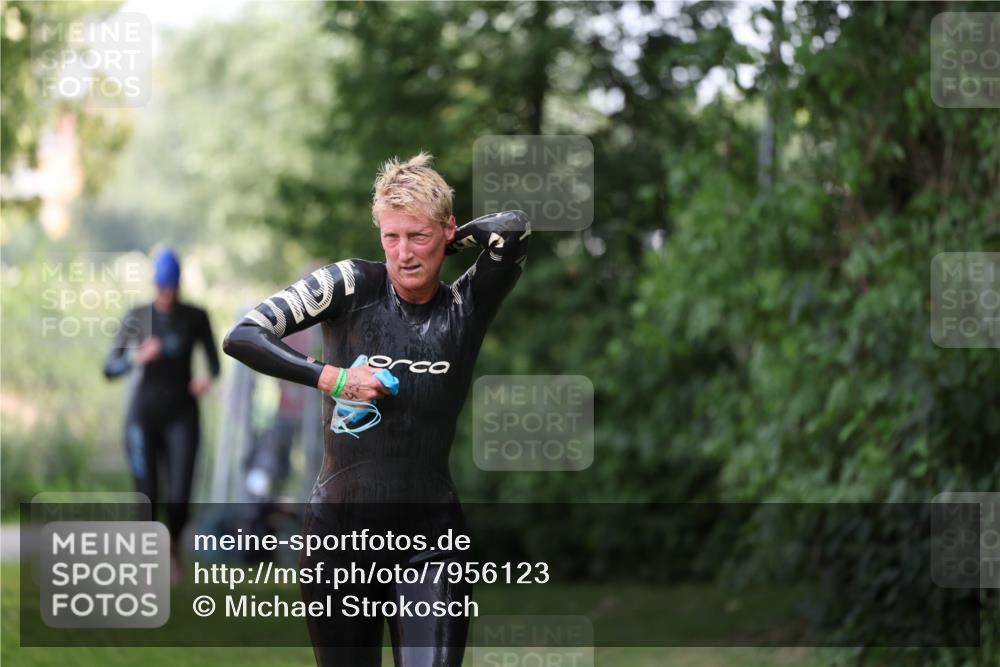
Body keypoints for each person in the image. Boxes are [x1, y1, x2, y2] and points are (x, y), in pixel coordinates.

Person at [223, 152, 530, 666]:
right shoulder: (350, 284)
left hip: (431, 543)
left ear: (447, 233)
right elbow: (243, 335)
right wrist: (335, 378)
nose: (404, 253)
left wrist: (456, 238)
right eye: (391, 237)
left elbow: (513, 230)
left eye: (419, 236)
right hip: (338, 543)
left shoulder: (465, 305)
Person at [104, 247, 220, 582]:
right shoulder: (137, 316)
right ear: (154, 285)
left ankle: (172, 551)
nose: (166, 294)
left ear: (178, 285)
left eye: (171, 287)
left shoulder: (195, 316)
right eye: (161, 287)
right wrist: (137, 357)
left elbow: (213, 363)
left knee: (180, 495)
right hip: (144, 416)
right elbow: (109, 368)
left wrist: (206, 379)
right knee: (148, 493)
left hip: (182, 414)